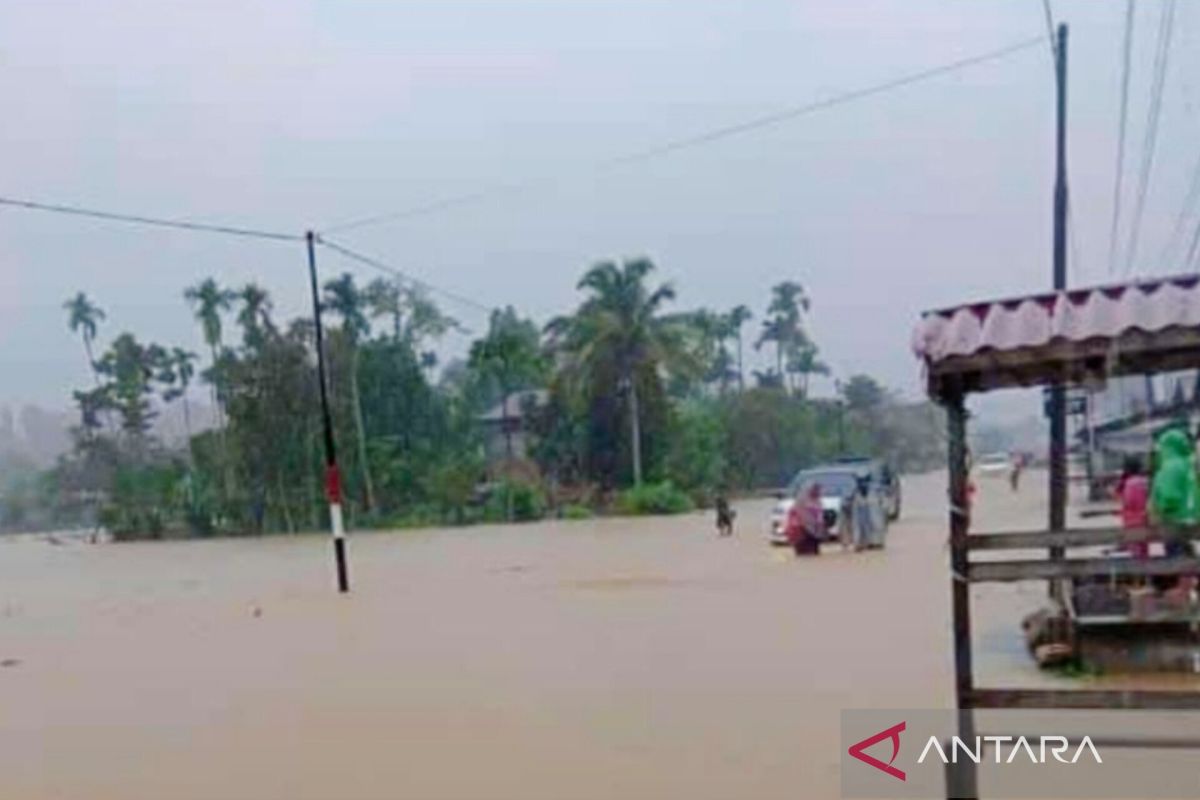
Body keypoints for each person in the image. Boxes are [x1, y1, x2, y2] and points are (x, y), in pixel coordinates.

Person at [1114, 455, 1150, 559]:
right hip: (1144, 518)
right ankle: (1145, 571)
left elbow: (1128, 502)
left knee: (1135, 550)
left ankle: (1138, 573)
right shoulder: (1144, 481)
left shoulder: (1129, 483)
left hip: (1131, 520)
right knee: (1143, 549)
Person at [786, 483, 824, 556]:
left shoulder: (818, 502)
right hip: (801, 531)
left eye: (819, 491)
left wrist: (820, 527)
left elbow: (820, 517)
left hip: (814, 531)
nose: (818, 493)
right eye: (816, 490)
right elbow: (795, 516)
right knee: (802, 552)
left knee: (813, 553)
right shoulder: (800, 501)